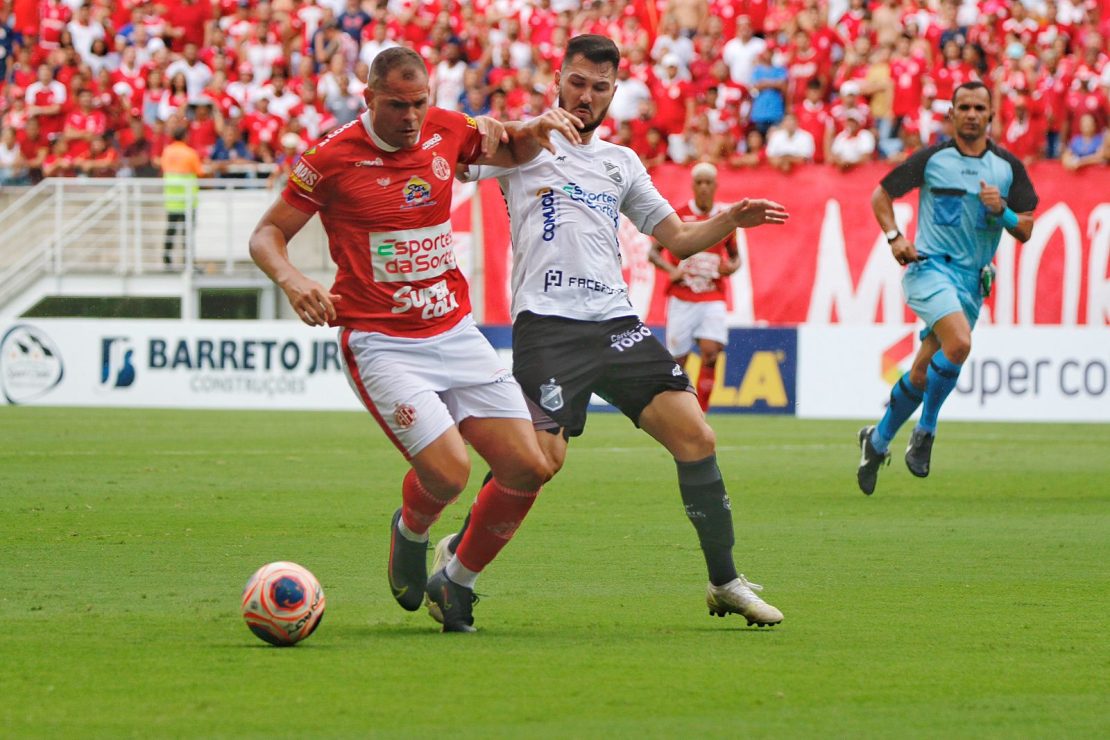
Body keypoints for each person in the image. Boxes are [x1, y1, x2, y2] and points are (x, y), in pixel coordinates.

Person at [440, 35, 789, 628]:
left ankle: (725, 581)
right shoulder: (523, 148)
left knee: (697, 437)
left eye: (600, 87)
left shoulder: (620, 163)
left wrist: (729, 219)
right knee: (540, 462)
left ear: (613, 94)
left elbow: (676, 239)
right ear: (558, 78)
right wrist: (508, 124)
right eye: (577, 82)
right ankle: (457, 576)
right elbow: (458, 142)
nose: (586, 96)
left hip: (617, 324)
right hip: (548, 326)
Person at [248, 47, 583, 633]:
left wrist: (536, 127)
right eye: (397, 105)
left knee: (529, 467)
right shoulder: (329, 159)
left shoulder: (448, 130)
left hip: (453, 330)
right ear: (369, 98)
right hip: (382, 341)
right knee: (450, 473)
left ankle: (453, 579)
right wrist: (293, 280)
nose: (410, 116)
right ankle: (411, 529)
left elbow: (510, 146)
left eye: (419, 104)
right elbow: (267, 234)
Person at [857, 81, 1039, 495]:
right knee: (958, 344)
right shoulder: (932, 158)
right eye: (964, 107)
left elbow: (1026, 228)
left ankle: (878, 440)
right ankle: (926, 432)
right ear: (952, 114)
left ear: (991, 115)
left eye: (979, 107)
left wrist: (1004, 212)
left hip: (973, 282)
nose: (972, 114)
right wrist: (894, 238)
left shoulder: (1008, 168)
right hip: (930, 269)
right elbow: (880, 195)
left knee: (922, 372)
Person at [647, 162, 741, 412]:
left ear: (715, 186)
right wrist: (672, 270)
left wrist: (730, 267)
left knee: (711, 352)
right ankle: (679, 411)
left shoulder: (725, 220)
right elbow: (653, 253)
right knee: (679, 359)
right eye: (698, 182)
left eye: (708, 182)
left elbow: (735, 257)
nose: (703, 187)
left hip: (712, 295)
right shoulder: (679, 216)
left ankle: (702, 412)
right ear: (693, 186)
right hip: (683, 296)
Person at [159, 127, 205, 269]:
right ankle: (187, 261)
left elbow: (163, 168)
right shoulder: (190, 153)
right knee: (187, 232)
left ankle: (166, 258)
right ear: (185, 136)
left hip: (171, 198)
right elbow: (200, 172)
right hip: (188, 198)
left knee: (171, 229)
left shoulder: (167, 152)